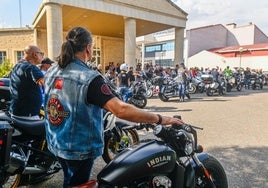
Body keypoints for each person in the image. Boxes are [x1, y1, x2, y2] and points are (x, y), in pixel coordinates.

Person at [43, 27, 184, 188]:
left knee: (71, 180)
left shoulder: (51, 71)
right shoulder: (89, 77)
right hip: (78, 148)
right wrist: (160, 119)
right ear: (88, 48)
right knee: (76, 183)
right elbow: (121, 109)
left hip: (56, 140)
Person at [9, 45, 44, 120]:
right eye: (41, 54)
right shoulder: (31, 67)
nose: (42, 56)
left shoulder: (17, 66)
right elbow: (47, 83)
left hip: (16, 112)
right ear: (35, 54)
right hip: (28, 115)